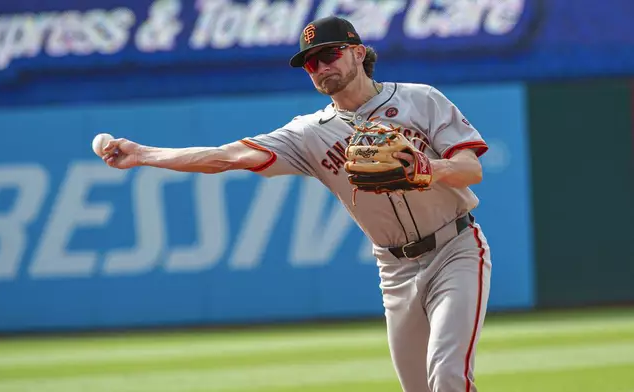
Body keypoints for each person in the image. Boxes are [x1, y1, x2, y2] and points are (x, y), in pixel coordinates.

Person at [100, 15, 492, 392]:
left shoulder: (420, 99)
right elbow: (226, 157)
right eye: (309, 63)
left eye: (329, 55)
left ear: (358, 52)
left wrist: (429, 168)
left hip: (454, 248)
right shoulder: (309, 133)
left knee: (447, 376)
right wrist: (143, 154)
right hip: (394, 270)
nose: (320, 67)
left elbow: (470, 168)